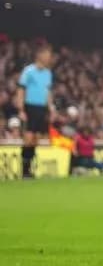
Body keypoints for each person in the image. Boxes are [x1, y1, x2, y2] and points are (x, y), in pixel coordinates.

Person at [16, 45, 55, 179]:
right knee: (28, 138)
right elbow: (21, 90)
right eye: (47, 55)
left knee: (36, 139)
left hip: (41, 108)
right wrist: (21, 109)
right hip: (30, 107)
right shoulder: (28, 71)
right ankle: (24, 170)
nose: (49, 58)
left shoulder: (48, 73)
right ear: (40, 55)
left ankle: (29, 169)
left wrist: (51, 108)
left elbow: (48, 92)